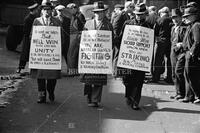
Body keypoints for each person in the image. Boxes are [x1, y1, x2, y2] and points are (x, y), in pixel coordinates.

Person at [80, 1, 113, 107]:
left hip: (101, 57)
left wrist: (108, 52)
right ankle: (89, 96)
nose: (99, 14)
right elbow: (83, 39)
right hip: (89, 56)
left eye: (101, 12)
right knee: (89, 78)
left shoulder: (108, 25)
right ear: (94, 13)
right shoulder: (88, 23)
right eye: (97, 12)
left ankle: (95, 99)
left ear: (104, 12)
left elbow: (111, 40)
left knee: (99, 79)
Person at [119, 3, 151, 110]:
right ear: (134, 14)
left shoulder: (148, 26)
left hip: (141, 60)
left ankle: (135, 101)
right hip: (128, 58)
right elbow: (121, 39)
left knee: (139, 81)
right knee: (127, 80)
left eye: (141, 14)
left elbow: (150, 44)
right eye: (137, 14)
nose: (139, 16)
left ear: (145, 14)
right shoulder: (127, 24)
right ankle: (129, 96)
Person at [31, 0, 61, 103]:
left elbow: (61, 38)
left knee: (52, 78)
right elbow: (32, 36)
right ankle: (41, 96)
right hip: (41, 55)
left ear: (51, 11)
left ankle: (51, 91)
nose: (47, 12)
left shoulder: (57, 22)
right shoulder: (36, 21)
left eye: (49, 10)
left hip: (52, 55)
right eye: (45, 10)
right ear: (42, 11)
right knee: (40, 77)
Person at [179, 4, 200, 104]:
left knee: (191, 75)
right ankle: (192, 96)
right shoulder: (191, 25)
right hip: (188, 53)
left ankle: (197, 95)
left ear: (194, 16)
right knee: (187, 74)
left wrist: (192, 52)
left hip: (192, 54)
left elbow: (197, 41)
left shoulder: (196, 25)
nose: (185, 18)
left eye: (187, 16)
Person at [16, 2, 41, 73]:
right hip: (28, 38)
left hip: (33, 38)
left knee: (33, 54)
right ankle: (20, 67)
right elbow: (26, 30)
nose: (37, 11)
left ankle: (33, 69)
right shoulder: (28, 19)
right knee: (25, 54)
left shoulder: (35, 18)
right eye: (36, 10)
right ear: (33, 10)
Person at [151, 6, 173, 83]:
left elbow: (155, 31)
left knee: (157, 60)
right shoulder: (171, 20)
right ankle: (169, 77)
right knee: (169, 60)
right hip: (170, 41)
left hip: (160, 41)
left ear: (162, 13)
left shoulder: (160, 20)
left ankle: (155, 77)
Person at [169, 8, 187, 100]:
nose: (174, 20)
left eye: (176, 17)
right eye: (173, 18)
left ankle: (182, 92)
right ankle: (177, 92)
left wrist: (182, 44)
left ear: (181, 17)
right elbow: (172, 40)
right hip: (173, 52)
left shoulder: (185, 27)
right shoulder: (173, 27)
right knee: (173, 73)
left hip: (181, 53)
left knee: (179, 72)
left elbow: (187, 40)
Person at [66, 3, 86, 76]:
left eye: (71, 9)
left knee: (72, 54)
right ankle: (74, 71)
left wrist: (80, 35)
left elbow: (83, 26)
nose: (70, 11)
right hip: (72, 36)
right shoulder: (74, 16)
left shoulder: (80, 15)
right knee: (72, 55)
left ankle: (73, 72)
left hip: (77, 36)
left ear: (74, 8)